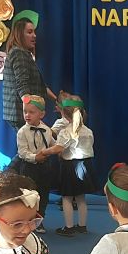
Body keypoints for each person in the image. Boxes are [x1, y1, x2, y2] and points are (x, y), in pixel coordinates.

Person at [43, 94, 96, 237]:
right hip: (85, 165)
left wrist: (43, 152)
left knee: (67, 198)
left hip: (70, 167)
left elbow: (58, 148)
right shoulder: (87, 131)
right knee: (80, 198)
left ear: (65, 115)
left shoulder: (66, 131)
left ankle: (69, 227)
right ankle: (82, 226)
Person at [2, 12, 56, 128]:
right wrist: (29, 112)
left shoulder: (22, 53)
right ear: (20, 35)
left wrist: (57, 100)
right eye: (30, 32)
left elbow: (41, 85)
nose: (34, 35)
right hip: (19, 114)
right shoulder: (19, 53)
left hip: (20, 113)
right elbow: (22, 84)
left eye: (34, 32)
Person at [15, 94, 54, 230]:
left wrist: (59, 149)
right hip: (29, 167)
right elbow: (22, 152)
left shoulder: (47, 130)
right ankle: (26, 219)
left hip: (45, 167)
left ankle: (39, 219)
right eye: (25, 111)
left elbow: (52, 144)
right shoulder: (22, 132)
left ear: (41, 114)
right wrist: (34, 157)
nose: (27, 115)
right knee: (29, 194)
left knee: (43, 194)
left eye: (31, 112)